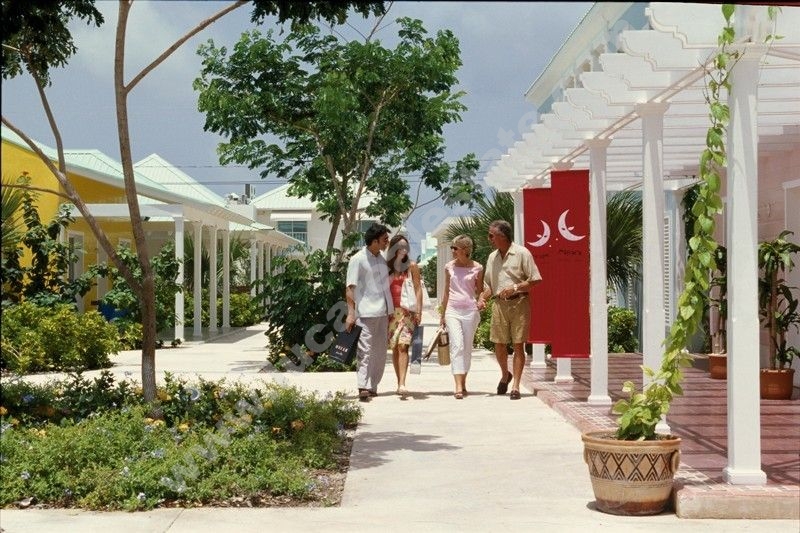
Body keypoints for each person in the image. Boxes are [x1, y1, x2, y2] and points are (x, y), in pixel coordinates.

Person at [479, 220, 542, 400]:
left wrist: (514, 288)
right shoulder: (492, 257)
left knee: (518, 345)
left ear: (502, 236)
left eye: (491, 235)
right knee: (498, 344)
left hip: (519, 303)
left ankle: (515, 387)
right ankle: (505, 374)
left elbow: (535, 279)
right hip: (499, 304)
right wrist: (482, 299)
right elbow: (489, 286)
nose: (489, 239)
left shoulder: (522, 253)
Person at [345, 223, 393, 402]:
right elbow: (350, 288)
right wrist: (351, 313)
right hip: (365, 312)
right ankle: (363, 386)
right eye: (384, 239)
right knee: (364, 350)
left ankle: (373, 386)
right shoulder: (357, 259)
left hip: (383, 312)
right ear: (374, 241)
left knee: (380, 352)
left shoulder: (382, 259)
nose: (387, 242)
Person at [440, 235, 484, 400]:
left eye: (455, 248)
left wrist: (481, 301)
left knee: (467, 348)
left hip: (470, 311)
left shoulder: (478, 268)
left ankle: (463, 380)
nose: (452, 250)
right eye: (452, 247)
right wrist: (442, 314)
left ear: (465, 249)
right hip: (452, 310)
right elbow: (446, 291)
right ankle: (458, 385)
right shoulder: (449, 267)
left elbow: (480, 291)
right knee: (457, 345)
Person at [385, 234, 423, 397]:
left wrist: (419, 310)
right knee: (395, 347)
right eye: (400, 246)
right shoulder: (386, 267)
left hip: (407, 312)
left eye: (405, 246)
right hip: (391, 313)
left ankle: (402, 383)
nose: (403, 249)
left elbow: (418, 288)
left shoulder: (412, 266)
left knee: (403, 346)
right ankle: (398, 381)